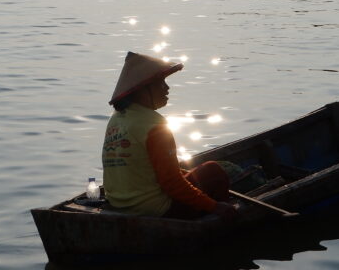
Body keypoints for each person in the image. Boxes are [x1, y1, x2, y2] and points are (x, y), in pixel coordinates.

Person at [101, 52, 237, 221]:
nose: (167, 88)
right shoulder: (154, 125)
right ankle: (220, 221)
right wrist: (215, 206)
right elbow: (172, 185)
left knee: (187, 172)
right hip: (156, 210)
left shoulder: (116, 119)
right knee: (213, 171)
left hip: (118, 205)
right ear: (142, 90)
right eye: (160, 83)